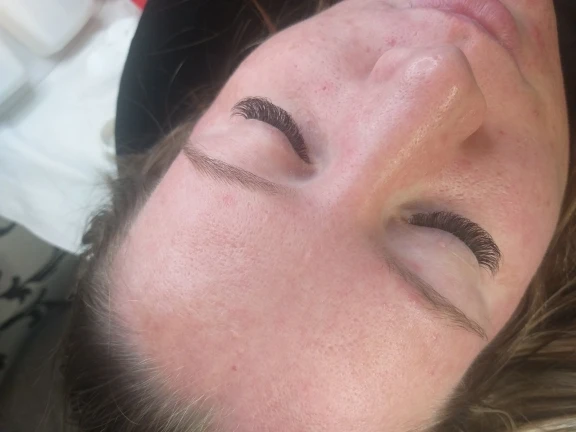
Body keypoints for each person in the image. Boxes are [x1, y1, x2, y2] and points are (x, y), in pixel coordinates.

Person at [61, 1, 576, 431]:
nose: (436, 74)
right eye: (450, 233)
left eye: (279, 129)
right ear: (515, 328)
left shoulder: (182, 50)